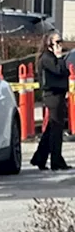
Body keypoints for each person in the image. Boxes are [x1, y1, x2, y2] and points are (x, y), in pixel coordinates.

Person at [31, 32, 69, 171]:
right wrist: (59, 57)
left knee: (51, 128)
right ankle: (56, 160)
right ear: (49, 44)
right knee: (56, 129)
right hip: (52, 95)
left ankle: (39, 158)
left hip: (58, 94)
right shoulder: (47, 58)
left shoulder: (51, 57)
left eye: (61, 42)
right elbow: (59, 70)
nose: (60, 45)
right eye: (57, 42)